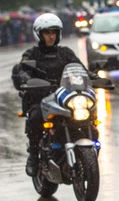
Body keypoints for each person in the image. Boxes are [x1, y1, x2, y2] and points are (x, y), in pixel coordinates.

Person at [11, 13, 93, 177]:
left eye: (53, 32)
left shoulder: (65, 53)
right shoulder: (32, 54)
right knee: (35, 117)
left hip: (64, 97)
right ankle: (33, 157)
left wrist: (92, 76)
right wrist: (26, 79)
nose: (51, 36)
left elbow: (79, 68)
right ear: (39, 34)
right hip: (41, 98)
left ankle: (88, 147)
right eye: (47, 33)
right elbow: (22, 71)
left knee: (90, 113)